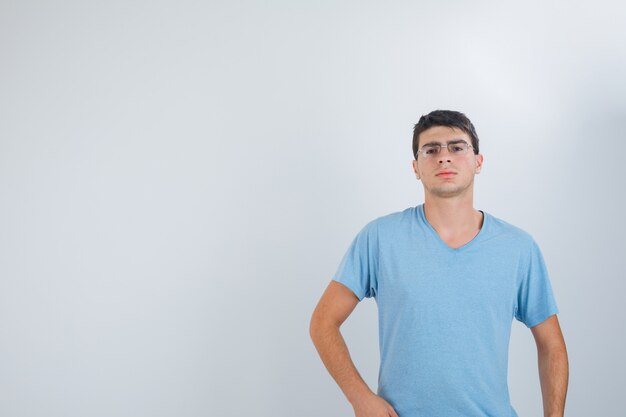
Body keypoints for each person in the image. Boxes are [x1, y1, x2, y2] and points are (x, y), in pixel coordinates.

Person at [309, 110, 569, 417]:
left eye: (457, 148)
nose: (444, 157)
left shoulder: (518, 248)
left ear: (478, 162)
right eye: (431, 150)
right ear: (416, 167)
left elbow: (552, 345)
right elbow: (322, 323)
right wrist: (360, 398)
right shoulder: (379, 238)